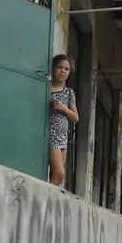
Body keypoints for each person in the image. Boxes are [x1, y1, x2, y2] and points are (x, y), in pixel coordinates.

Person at [48, 55, 78, 187]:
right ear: (53, 69)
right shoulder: (45, 88)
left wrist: (63, 108)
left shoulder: (69, 93)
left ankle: (48, 205)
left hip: (63, 138)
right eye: (60, 67)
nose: (63, 71)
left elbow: (75, 117)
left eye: (67, 69)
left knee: (55, 175)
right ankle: (45, 199)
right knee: (60, 173)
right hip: (50, 136)